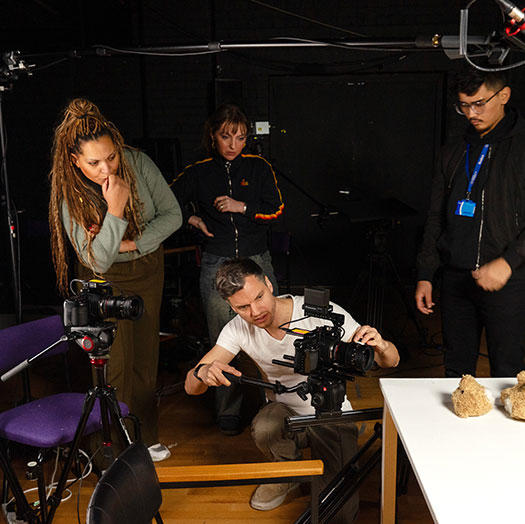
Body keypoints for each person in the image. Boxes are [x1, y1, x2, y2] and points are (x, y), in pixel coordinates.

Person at [184, 258, 399, 523]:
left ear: (268, 283)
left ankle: (323, 466)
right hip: (285, 412)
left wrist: (382, 346)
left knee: (337, 511)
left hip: (330, 412)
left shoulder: (319, 313)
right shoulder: (237, 328)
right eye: (243, 307)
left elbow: (391, 361)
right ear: (231, 307)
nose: (256, 311)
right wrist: (202, 373)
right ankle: (289, 474)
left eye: (259, 297)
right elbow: (190, 387)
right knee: (265, 426)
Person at [48, 98, 181, 462]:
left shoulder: (138, 162)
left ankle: (144, 436)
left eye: (111, 157)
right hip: (101, 282)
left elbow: (173, 216)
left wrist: (133, 242)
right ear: (75, 160)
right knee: (113, 363)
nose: (106, 168)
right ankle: (108, 446)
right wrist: (116, 208)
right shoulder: (69, 192)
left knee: (144, 360)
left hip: (147, 271)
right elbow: (98, 259)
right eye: (94, 162)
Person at [414, 68, 525, 378]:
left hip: (508, 283)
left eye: (479, 103)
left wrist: (507, 263)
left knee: (508, 373)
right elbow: (436, 216)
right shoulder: (454, 150)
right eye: (464, 105)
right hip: (456, 281)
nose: (471, 113)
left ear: (504, 95)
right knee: (456, 372)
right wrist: (426, 273)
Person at [171, 104, 284, 436]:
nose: (233, 144)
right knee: (221, 339)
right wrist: (190, 219)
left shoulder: (259, 167)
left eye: (240, 137)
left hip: (257, 259)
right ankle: (229, 410)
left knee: (274, 331)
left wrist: (241, 207)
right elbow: (164, 202)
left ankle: (276, 405)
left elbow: (276, 208)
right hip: (217, 261)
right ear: (213, 136)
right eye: (226, 136)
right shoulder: (199, 171)